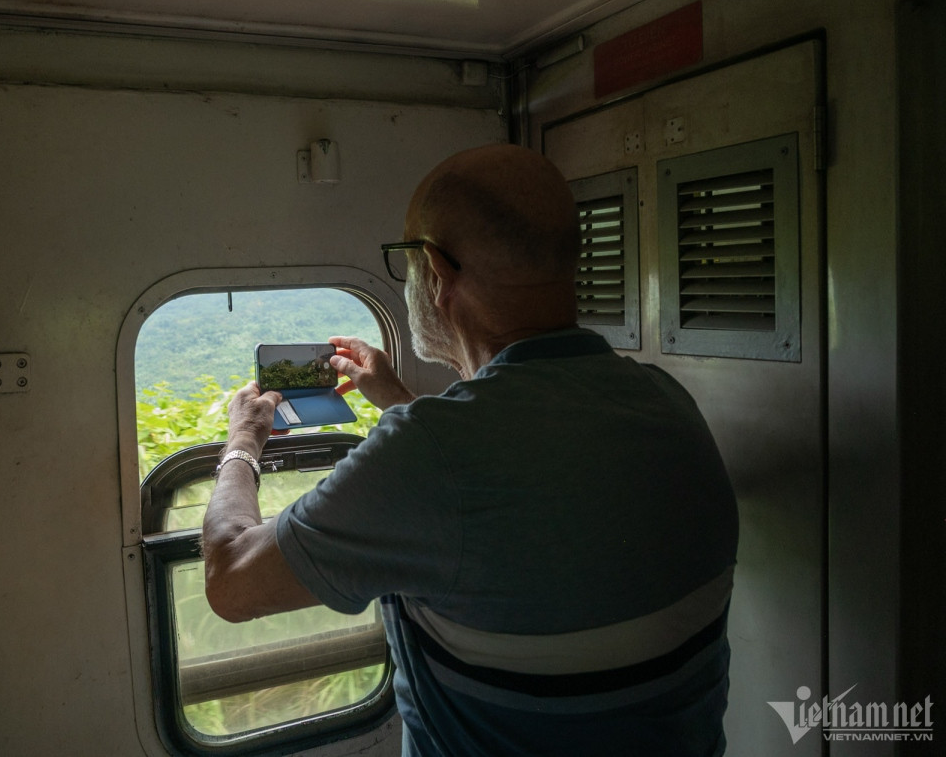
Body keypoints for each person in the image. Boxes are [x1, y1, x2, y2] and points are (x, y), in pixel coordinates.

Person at [201, 144, 739, 756]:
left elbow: (230, 581)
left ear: (435, 269)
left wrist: (243, 439)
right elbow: (512, 475)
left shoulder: (428, 455)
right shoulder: (670, 404)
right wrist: (395, 397)